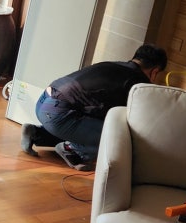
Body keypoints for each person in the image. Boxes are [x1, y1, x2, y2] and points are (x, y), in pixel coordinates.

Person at [20, 44, 168, 170]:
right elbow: (136, 118)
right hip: (57, 115)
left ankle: (36, 133)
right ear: (155, 71)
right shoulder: (136, 81)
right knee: (116, 136)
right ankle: (71, 150)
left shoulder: (114, 65)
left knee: (91, 128)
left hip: (43, 103)